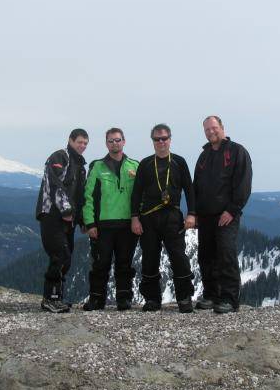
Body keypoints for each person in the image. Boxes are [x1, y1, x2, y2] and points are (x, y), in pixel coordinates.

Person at [131, 123, 196, 313]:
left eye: (164, 138)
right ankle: (152, 299)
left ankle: (184, 298)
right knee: (150, 258)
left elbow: (189, 190)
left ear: (170, 139)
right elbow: (136, 194)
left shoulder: (179, 162)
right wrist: (134, 218)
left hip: (172, 216)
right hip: (148, 218)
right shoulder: (145, 164)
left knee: (179, 257)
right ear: (152, 141)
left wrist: (191, 213)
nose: (161, 142)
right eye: (157, 139)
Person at [193, 115, 252, 314]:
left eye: (214, 128)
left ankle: (229, 299)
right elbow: (197, 186)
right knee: (206, 256)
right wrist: (195, 213)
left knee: (226, 254)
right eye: (207, 129)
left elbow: (243, 183)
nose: (211, 132)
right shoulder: (204, 155)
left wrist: (232, 210)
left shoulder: (237, 152)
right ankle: (211, 295)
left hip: (226, 214)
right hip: (205, 215)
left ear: (222, 128)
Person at [82, 128, 140, 311]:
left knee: (124, 263)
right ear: (106, 143)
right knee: (101, 263)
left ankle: (124, 299)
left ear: (124, 141)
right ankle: (96, 299)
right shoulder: (97, 166)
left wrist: (138, 219)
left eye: (117, 140)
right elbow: (88, 196)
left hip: (127, 224)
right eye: (111, 141)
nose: (114, 143)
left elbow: (140, 196)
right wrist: (89, 223)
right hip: (103, 225)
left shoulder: (134, 166)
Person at [35, 128, 89, 313]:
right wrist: (65, 209)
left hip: (69, 220)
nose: (82, 146)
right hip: (52, 214)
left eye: (85, 143)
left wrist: (81, 220)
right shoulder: (60, 157)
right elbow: (54, 184)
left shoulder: (80, 166)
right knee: (60, 254)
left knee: (66, 258)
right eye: (79, 142)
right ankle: (50, 299)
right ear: (70, 140)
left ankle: (57, 297)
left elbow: (80, 195)